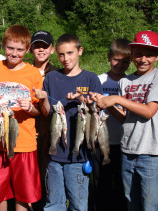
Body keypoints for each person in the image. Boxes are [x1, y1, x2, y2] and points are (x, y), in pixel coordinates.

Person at [91, 31, 158, 211]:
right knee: (131, 200)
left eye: (149, 54)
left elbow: (149, 111)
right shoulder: (125, 81)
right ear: (132, 54)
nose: (143, 59)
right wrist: (106, 103)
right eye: (138, 54)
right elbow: (124, 118)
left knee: (150, 203)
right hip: (127, 150)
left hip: (150, 152)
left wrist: (116, 99)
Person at [34, 34, 103, 211]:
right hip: (54, 154)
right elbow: (47, 112)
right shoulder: (51, 78)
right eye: (61, 54)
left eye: (70, 53)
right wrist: (42, 100)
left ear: (80, 51)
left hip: (79, 156)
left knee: (78, 204)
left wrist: (84, 100)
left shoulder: (91, 79)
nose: (66, 59)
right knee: (54, 204)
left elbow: (98, 110)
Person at [0, 25, 43, 211]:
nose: (14, 53)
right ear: (3, 46)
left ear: (27, 50)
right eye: (10, 48)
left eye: (19, 49)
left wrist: (31, 107)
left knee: (23, 193)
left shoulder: (33, 73)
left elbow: (39, 111)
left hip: (24, 142)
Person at [93, 38, 131, 211]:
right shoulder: (99, 80)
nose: (120, 64)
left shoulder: (131, 82)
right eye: (116, 60)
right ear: (109, 57)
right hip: (102, 142)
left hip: (124, 143)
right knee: (102, 183)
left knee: (123, 186)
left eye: (125, 61)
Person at [30, 30, 59, 209]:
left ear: (52, 49)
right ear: (30, 49)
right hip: (28, 129)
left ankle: (46, 204)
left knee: (47, 171)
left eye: (45, 46)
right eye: (37, 46)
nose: (41, 50)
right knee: (30, 172)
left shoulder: (57, 73)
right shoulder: (24, 70)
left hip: (49, 129)